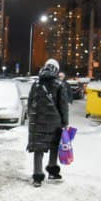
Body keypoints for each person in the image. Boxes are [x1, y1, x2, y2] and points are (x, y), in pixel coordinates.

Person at [26, 58, 70, 187]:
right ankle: (52, 171)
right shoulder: (59, 84)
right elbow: (63, 106)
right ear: (56, 70)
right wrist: (65, 122)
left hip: (37, 120)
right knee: (54, 145)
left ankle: (37, 177)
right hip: (54, 121)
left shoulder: (36, 83)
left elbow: (30, 102)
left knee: (38, 148)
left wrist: (31, 116)